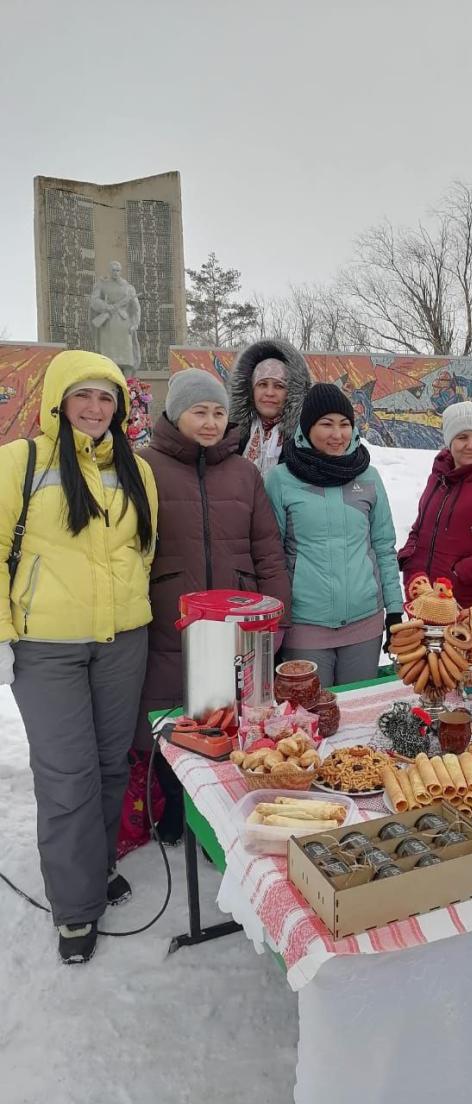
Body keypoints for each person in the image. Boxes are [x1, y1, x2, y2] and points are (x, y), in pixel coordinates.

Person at [0, 350, 157, 964]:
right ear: (58, 401)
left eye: (107, 398)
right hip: (48, 647)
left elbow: (144, 549)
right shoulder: (23, 462)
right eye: (83, 396)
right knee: (67, 777)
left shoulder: (134, 470)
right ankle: (75, 906)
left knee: (110, 765)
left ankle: (95, 866)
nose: (95, 409)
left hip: (123, 639)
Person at [135, 369, 292, 842]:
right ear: (175, 412)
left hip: (236, 624)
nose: (209, 422)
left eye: (218, 412)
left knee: (227, 722)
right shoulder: (145, 466)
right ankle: (176, 809)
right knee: (171, 723)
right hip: (170, 622)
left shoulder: (243, 472)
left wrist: (274, 615)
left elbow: (267, 547)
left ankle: (215, 819)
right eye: (199, 411)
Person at [265, 383, 403, 687]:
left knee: (359, 714)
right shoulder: (281, 480)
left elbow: (383, 547)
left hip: (365, 623)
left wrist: (394, 610)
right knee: (309, 718)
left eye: (344, 424)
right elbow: (271, 557)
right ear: (306, 428)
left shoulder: (368, 477)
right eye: (326, 424)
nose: (337, 434)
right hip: (305, 626)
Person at [398, 401, 472, 612]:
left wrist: (458, 573)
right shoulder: (438, 477)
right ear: (449, 440)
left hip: (469, 607)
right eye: (462, 437)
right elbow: (420, 527)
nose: (471, 445)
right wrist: (411, 562)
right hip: (426, 600)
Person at [228, 337, 312, 478]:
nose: (269, 393)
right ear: (251, 390)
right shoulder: (232, 437)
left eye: (279, 386)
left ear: (291, 393)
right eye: (262, 384)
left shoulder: (304, 441)